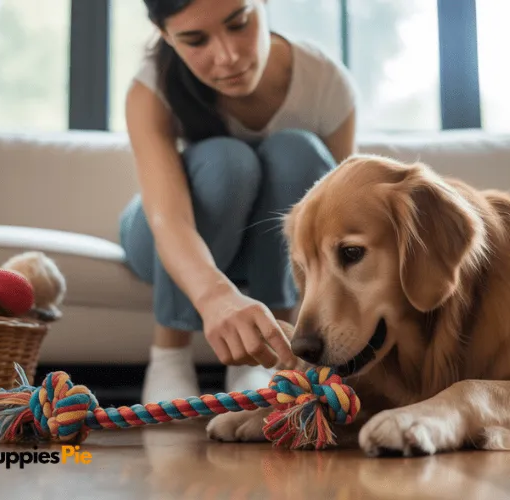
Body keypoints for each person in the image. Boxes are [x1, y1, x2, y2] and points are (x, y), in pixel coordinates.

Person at [119, 0, 358, 404]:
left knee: (297, 151)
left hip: (262, 254)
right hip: (161, 237)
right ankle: (169, 357)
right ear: (165, 36)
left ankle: (265, 354)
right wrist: (215, 297)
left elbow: (339, 224)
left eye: (239, 23)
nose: (227, 57)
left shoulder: (325, 82)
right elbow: (169, 222)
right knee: (229, 161)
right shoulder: (150, 89)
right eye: (195, 40)